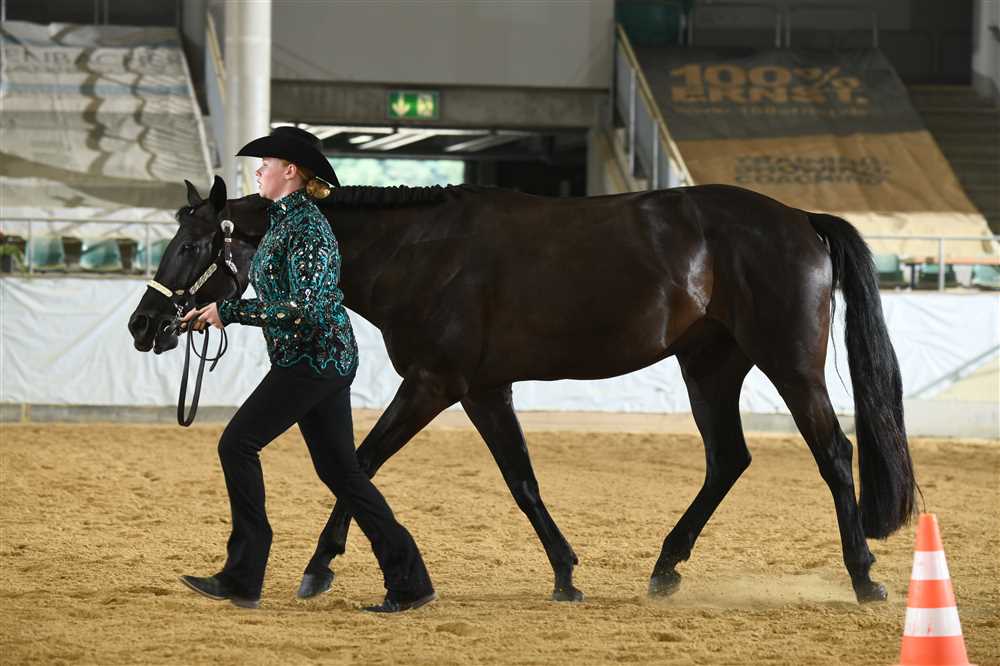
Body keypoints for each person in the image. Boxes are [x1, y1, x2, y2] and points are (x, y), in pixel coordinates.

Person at [178, 126, 435, 613]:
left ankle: (243, 575)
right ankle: (410, 581)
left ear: (290, 171)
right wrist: (213, 310)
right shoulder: (282, 223)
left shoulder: (308, 228)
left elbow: (307, 308)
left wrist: (230, 312)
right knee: (342, 473)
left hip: (314, 360)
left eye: (266, 164)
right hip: (314, 360)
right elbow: (282, 297)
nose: (259, 171)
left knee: (238, 444)